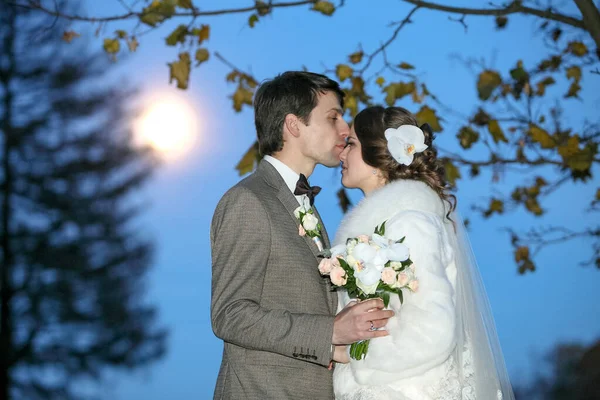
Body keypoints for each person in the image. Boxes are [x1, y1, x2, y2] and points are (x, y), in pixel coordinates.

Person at [210, 72, 394, 400]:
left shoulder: (303, 203)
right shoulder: (247, 200)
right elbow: (231, 314)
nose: (344, 129)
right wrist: (331, 331)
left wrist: (334, 346)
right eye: (333, 117)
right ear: (293, 125)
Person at [333, 105, 515, 400]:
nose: (341, 154)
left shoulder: (410, 223)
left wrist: (357, 357)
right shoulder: (388, 224)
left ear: (379, 155)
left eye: (351, 144)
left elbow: (433, 331)